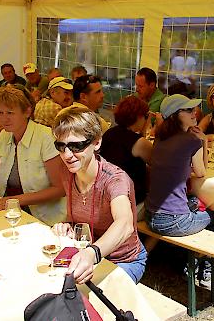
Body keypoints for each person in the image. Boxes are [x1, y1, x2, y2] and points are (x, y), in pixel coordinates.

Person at [51, 106, 147, 284]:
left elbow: (125, 224)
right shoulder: (66, 170)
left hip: (122, 260)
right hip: (86, 253)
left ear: (96, 142)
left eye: (76, 146)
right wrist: (67, 225)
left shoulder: (115, 179)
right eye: (61, 146)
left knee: (82, 298)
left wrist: (91, 253)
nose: (67, 154)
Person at [0, 86, 66, 225]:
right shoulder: (4, 135)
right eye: (0, 112)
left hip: (44, 219)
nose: (4, 118)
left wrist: (16, 200)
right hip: (8, 213)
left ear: (27, 111)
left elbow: (60, 189)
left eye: (10, 113)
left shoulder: (46, 137)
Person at [145, 94, 212, 286]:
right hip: (173, 221)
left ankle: (180, 260)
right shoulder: (191, 141)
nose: (194, 113)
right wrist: (203, 141)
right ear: (175, 115)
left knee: (192, 203)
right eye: (188, 110)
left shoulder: (159, 138)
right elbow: (201, 172)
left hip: (151, 216)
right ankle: (203, 268)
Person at [100, 96, 153, 204]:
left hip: (107, 194)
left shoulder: (109, 133)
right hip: (131, 199)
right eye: (146, 116)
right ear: (138, 117)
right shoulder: (139, 143)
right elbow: (159, 162)